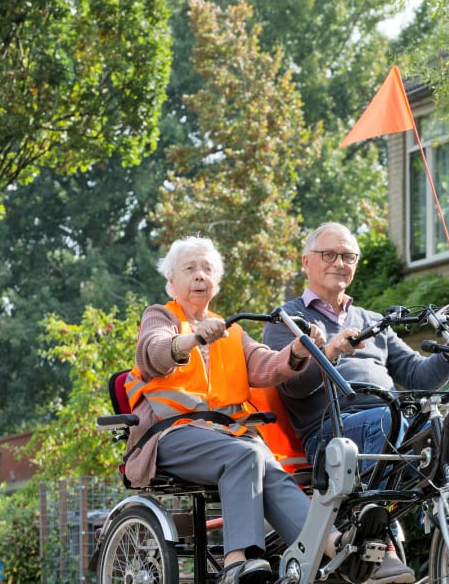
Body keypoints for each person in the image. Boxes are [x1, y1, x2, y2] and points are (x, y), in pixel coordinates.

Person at [123, 236, 357, 584]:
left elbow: (265, 366)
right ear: (172, 282)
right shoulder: (160, 316)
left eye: (208, 269)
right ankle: (237, 562)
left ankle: (333, 547)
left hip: (226, 437)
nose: (200, 275)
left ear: (216, 283)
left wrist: (297, 351)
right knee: (247, 455)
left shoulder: (230, 332)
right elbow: (153, 352)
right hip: (170, 436)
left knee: (270, 468)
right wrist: (193, 339)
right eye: (190, 269)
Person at [262, 222, 449, 584]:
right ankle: (404, 539)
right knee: (391, 421)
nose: (339, 262)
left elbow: (416, 374)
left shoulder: (372, 320)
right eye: (329, 254)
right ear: (306, 262)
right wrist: (331, 350)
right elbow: (291, 386)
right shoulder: (287, 318)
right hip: (334, 432)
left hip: (390, 420)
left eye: (348, 255)